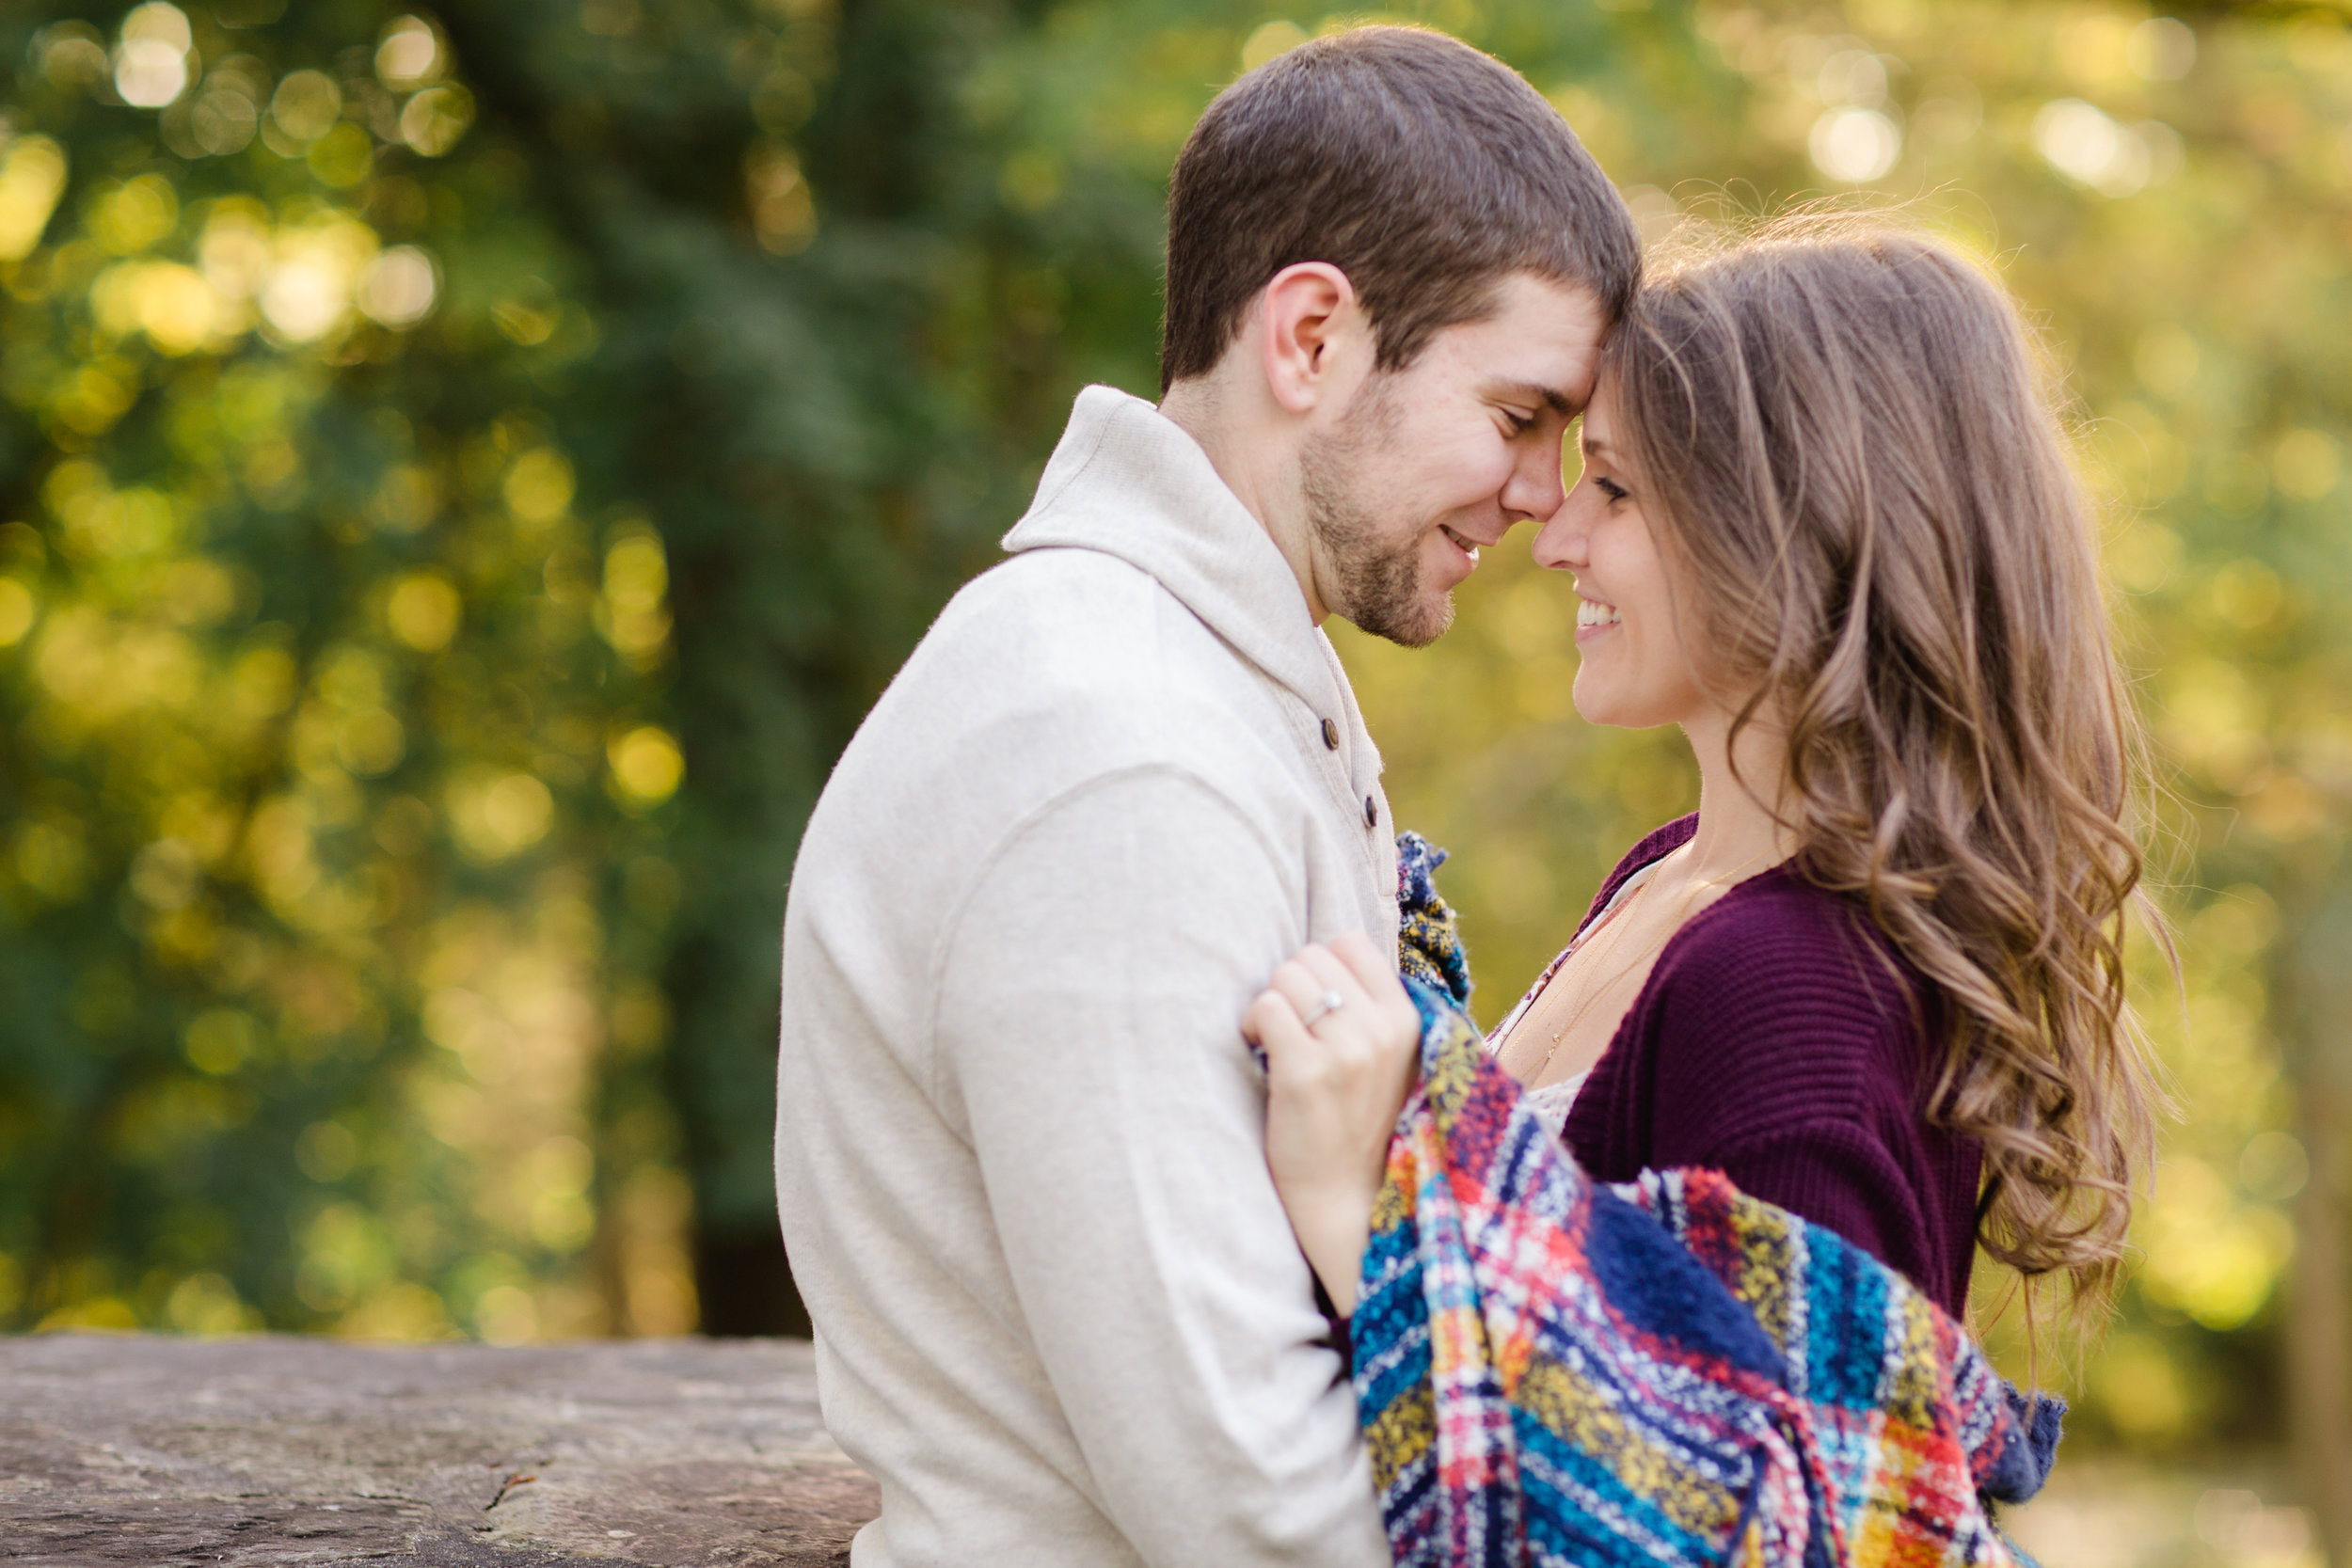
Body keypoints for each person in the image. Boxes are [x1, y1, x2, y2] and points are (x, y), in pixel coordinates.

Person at [773, 26, 1640, 1568]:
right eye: (1518, 416)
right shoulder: (1113, 754)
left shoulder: (1217, 673)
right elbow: (1248, 1496)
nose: (1543, 496)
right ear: (1310, 337)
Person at [1252, 223, 2164, 1346]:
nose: (1556, 538)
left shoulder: (1787, 989)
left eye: (1618, 487)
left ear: (1795, 525)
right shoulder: (1671, 878)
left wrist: (1359, 1222)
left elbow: (1754, 1507)